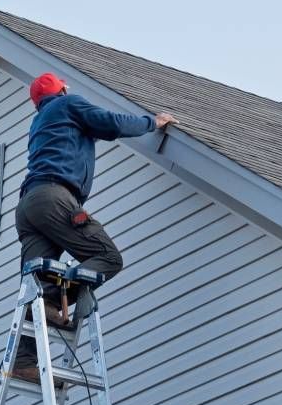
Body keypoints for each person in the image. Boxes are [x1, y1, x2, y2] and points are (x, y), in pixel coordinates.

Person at [11, 73, 177, 382]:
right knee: (109, 258)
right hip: (54, 198)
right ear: (61, 91)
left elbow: (88, 131)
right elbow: (110, 122)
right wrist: (151, 123)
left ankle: (23, 359)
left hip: (28, 206)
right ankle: (55, 302)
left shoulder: (40, 122)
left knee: (35, 285)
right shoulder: (68, 104)